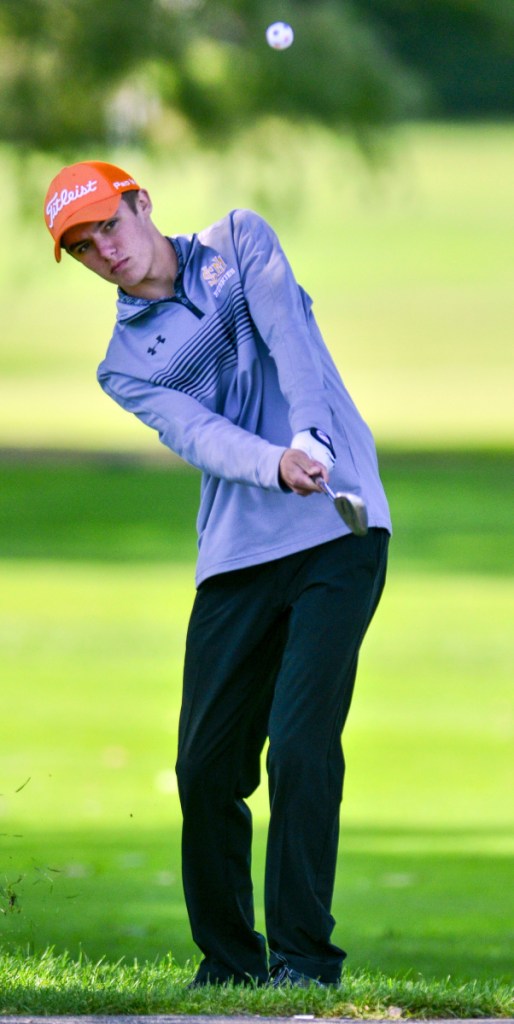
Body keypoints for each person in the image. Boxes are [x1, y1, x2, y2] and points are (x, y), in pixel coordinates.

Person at [44, 160, 391, 988]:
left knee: (303, 747)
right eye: (86, 249)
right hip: (237, 555)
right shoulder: (123, 365)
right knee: (206, 769)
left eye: (111, 228)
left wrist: (312, 435)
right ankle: (229, 967)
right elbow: (200, 437)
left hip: (339, 531)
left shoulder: (240, 239)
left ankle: (306, 961)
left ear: (143, 205)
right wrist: (276, 462)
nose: (108, 254)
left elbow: (291, 341)